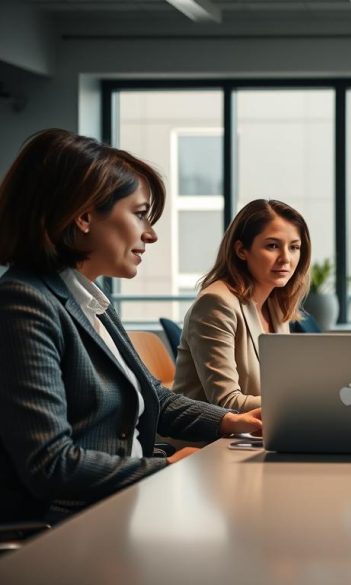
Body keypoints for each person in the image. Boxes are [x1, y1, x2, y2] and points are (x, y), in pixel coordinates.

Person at [0, 129, 262, 524]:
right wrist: (170, 468)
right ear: (84, 216)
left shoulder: (88, 298)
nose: (151, 234)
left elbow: (153, 394)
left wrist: (228, 422)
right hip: (67, 527)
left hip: (122, 508)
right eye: (140, 214)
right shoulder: (25, 303)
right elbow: (50, 464)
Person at [172, 199, 311, 412]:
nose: (286, 258)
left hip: (258, 432)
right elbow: (226, 402)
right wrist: (305, 404)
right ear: (241, 250)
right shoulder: (216, 303)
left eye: (294, 247)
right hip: (209, 440)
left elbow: (279, 388)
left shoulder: (275, 305)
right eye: (272, 246)